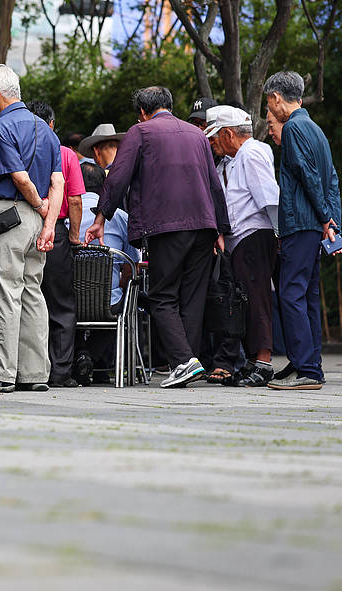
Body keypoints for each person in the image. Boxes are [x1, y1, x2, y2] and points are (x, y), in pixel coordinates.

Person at [85, 86, 230, 388]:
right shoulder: (197, 135)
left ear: (141, 111)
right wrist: (220, 229)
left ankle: (182, 361)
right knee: (192, 297)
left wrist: (101, 218)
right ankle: (187, 363)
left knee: (162, 296)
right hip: (203, 225)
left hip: (166, 225)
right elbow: (214, 184)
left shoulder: (141, 132)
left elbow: (119, 176)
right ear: (170, 105)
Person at [0, 64, 64, 393]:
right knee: (32, 293)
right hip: (36, 223)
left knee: (0, 292)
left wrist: (36, 204)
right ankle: (35, 374)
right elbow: (57, 181)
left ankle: (1, 372)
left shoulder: (2, 127)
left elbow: (19, 177)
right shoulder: (45, 129)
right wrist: (48, 223)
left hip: (7, 216)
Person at [262, 71, 342, 391]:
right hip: (316, 226)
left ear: (277, 98)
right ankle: (308, 363)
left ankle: (306, 368)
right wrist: (331, 220)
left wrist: (324, 218)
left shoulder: (294, 127)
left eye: (269, 101)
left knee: (291, 293)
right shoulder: (316, 130)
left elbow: (308, 177)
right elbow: (330, 178)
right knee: (307, 294)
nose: (270, 108)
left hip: (300, 223)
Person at [203, 105, 280, 387]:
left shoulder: (252, 151)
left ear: (227, 134)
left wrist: (278, 233)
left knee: (256, 298)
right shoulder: (233, 159)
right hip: (241, 239)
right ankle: (252, 360)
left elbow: (268, 196)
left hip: (254, 234)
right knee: (243, 301)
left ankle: (264, 362)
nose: (212, 143)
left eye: (214, 138)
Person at [26, 101, 84, 387]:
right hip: (56, 232)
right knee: (60, 304)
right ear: (51, 125)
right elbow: (73, 199)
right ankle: (59, 372)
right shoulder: (65, 154)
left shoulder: (19, 150)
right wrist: (73, 235)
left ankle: (26, 368)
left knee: (26, 298)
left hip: (23, 227)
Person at [73, 162, 139, 386]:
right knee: (121, 305)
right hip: (107, 303)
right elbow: (132, 265)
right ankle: (89, 357)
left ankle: (79, 355)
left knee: (61, 312)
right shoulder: (120, 216)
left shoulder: (63, 215)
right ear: (104, 188)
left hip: (69, 300)